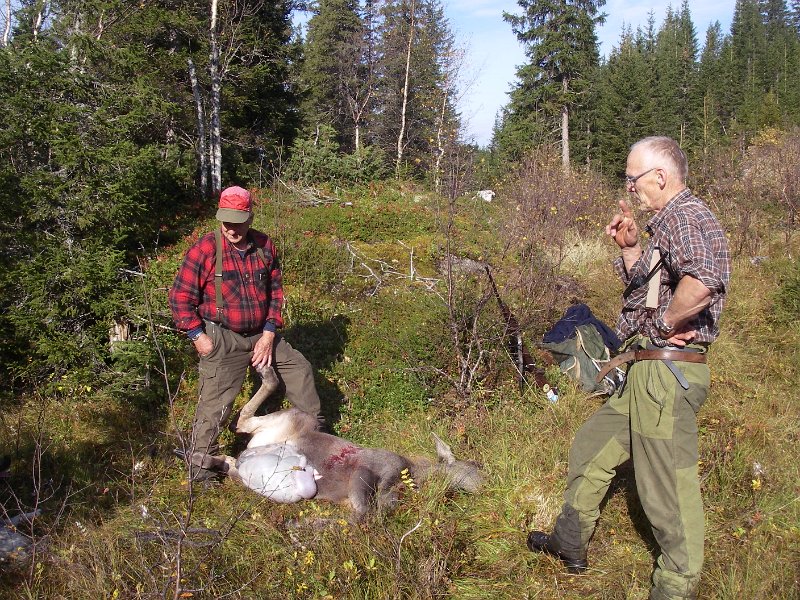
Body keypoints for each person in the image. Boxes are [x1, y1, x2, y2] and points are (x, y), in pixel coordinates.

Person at [527, 137, 731, 600]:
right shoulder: (666, 224)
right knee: (592, 448)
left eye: (633, 178)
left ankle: (675, 588)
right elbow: (652, 286)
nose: (631, 187)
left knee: (666, 487)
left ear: (660, 176)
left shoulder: (689, 216)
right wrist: (630, 249)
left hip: (666, 374)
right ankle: (569, 542)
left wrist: (663, 325)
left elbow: (703, 283)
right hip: (643, 372)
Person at [169, 186, 322, 481]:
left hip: (261, 334)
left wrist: (268, 333)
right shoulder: (206, 249)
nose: (231, 228)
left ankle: (312, 442)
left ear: (250, 217)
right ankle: (202, 472)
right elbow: (179, 298)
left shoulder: (264, 246)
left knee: (300, 370)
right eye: (225, 220)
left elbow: (275, 293)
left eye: (237, 221)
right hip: (222, 337)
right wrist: (198, 337)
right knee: (214, 404)